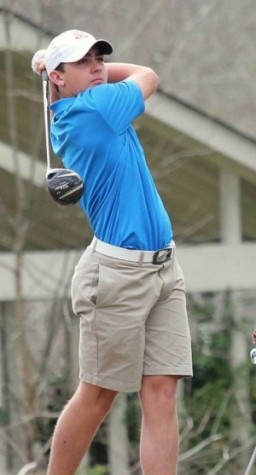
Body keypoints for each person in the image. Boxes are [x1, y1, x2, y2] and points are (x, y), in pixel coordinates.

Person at [32, 29, 193, 475]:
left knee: (161, 389)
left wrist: (55, 69)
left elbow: (102, 78)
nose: (98, 67)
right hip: (118, 275)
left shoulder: (81, 102)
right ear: (60, 78)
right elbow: (149, 74)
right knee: (97, 394)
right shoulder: (97, 110)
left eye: (100, 58)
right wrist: (52, 67)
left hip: (164, 267)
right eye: (84, 62)